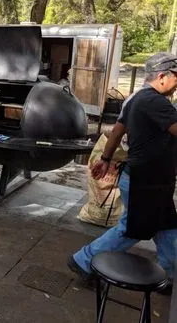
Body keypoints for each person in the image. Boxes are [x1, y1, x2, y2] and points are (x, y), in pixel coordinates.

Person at [68, 52, 177, 293]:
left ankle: (169, 276)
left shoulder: (136, 99)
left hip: (152, 181)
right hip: (145, 181)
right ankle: (83, 261)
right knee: (132, 229)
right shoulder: (155, 102)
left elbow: (116, 132)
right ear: (162, 76)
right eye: (176, 77)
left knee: (168, 228)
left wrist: (105, 159)